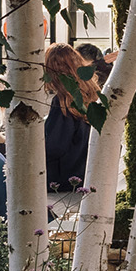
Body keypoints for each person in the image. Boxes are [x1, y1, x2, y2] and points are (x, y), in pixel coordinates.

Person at [43, 46, 92, 192]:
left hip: (62, 180)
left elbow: (54, 146)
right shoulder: (91, 95)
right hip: (85, 173)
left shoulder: (63, 101)